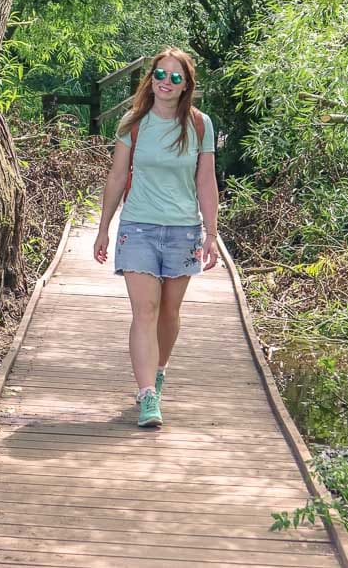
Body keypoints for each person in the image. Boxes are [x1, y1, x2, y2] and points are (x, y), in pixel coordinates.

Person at [93, 47, 219, 428]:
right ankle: (147, 393)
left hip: (183, 230)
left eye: (175, 77)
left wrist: (211, 233)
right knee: (144, 311)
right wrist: (103, 227)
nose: (166, 82)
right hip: (139, 228)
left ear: (186, 86)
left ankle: (160, 368)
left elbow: (206, 180)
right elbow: (117, 176)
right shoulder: (133, 123)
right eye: (160, 75)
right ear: (151, 80)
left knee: (169, 312)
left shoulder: (199, 125)